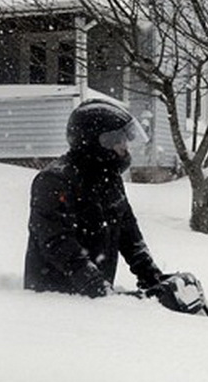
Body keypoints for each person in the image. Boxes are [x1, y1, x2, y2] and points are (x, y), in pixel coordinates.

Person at [24, 98, 165, 297]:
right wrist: (96, 286)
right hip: (54, 300)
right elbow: (57, 242)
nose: (125, 147)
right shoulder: (54, 181)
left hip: (94, 299)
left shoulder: (109, 179)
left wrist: (151, 275)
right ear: (98, 141)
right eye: (120, 140)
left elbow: (128, 232)